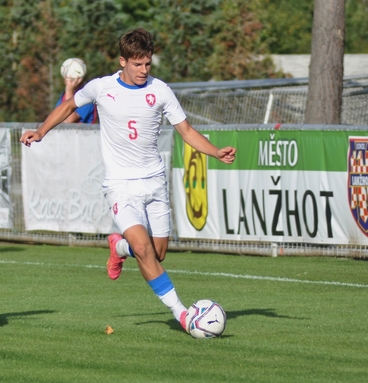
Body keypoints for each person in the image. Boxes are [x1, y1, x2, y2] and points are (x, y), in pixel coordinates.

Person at [20, 28, 236, 334]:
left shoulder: (160, 90)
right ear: (123, 61)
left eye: (147, 64)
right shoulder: (101, 88)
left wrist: (215, 152)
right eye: (137, 64)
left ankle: (118, 248)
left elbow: (186, 131)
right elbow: (69, 106)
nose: (143, 70)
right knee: (145, 251)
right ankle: (183, 315)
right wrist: (41, 132)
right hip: (121, 186)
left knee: (157, 253)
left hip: (154, 184)